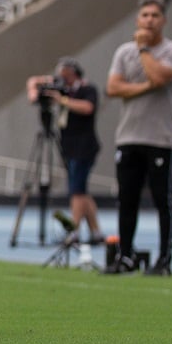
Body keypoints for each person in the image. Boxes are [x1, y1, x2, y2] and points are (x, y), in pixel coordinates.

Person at [103, 0, 172, 276]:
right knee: (127, 200)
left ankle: (164, 260)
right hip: (128, 136)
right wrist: (145, 87)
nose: (149, 20)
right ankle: (125, 256)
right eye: (145, 15)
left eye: (154, 16)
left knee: (163, 200)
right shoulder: (122, 52)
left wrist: (143, 51)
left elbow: (160, 77)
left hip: (160, 138)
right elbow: (113, 88)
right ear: (138, 20)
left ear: (163, 21)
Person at [26, 57, 104, 245]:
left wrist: (63, 100)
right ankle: (96, 232)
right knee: (81, 190)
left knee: (76, 191)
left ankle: (74, 231)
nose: (63, 78)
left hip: (83, 146)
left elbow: (88, 108)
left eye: (66, 74)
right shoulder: (62, 89)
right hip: (68, 145)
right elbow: (32, 88)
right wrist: (47, 82)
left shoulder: (86, 90)